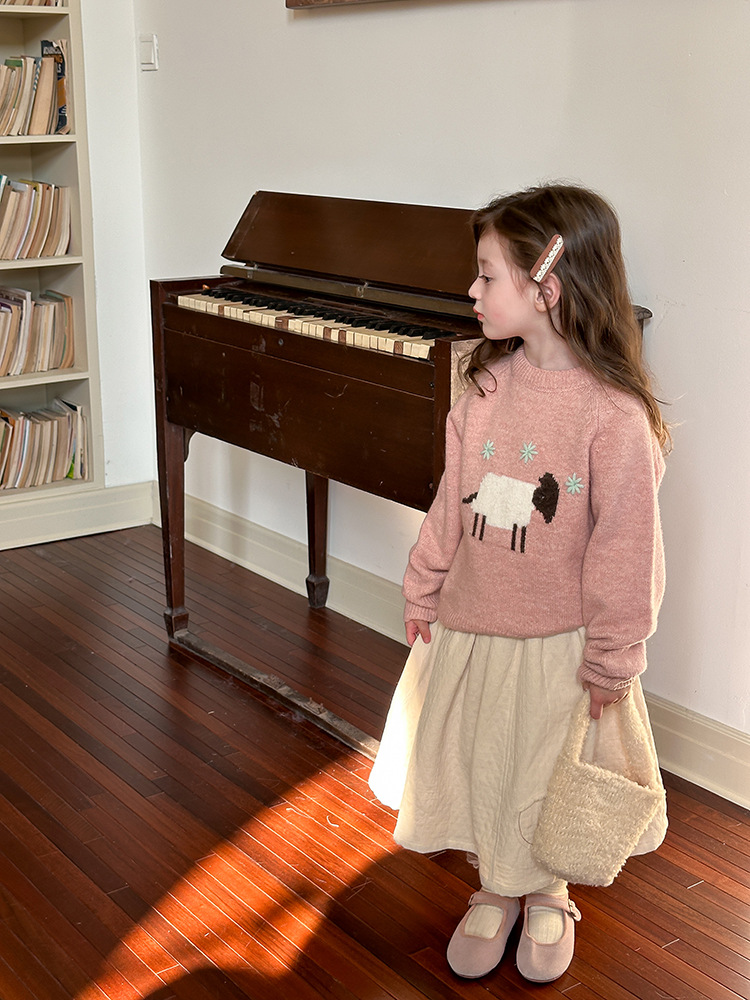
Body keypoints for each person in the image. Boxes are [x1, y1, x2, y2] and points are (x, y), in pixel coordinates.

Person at [368, 184, 669, 984]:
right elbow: (451, 500)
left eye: (486, 275)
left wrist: (613, 655)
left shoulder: (613, 416)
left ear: (548, 288)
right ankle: (497, 884)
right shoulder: (484, 387)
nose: (471, 291)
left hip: (559, 644)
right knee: (484, 760)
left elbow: (627, 550)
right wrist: (423, 584)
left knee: (542, 772)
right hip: (475, 624)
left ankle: (547, 890)